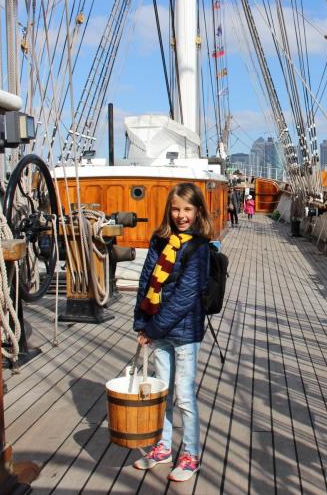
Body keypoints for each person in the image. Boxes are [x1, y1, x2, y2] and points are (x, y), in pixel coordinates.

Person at [132, 182, 212, 482]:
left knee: (184, 395)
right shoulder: (158, 240)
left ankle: (190, 453)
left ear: (197, 211)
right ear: (169, 210)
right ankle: (163, 446)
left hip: (185, 332)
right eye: (176, 209)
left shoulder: (199, 247)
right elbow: (146, 280)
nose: (181, 215)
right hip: (157, 327)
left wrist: (152, 328)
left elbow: (185, 296)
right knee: (162, 392)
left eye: (188, 209)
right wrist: (141, 322)